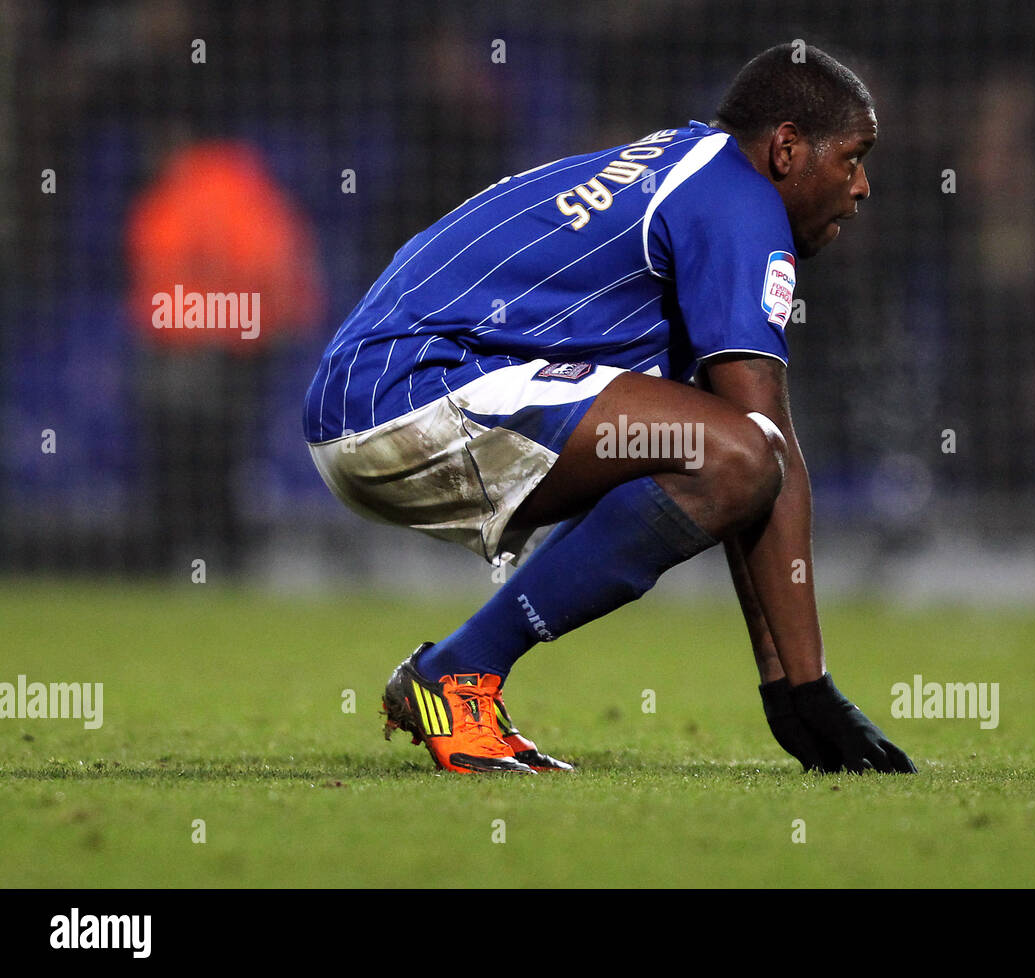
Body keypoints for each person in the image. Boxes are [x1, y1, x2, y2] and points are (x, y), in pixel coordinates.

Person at [303, 43, 917, 775]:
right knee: (737, 452)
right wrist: (807, 685)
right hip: (409, 391)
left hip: (370, 396)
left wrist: (789, 684)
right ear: (786, 148)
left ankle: (459, 671)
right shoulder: (739, 201)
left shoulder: (692, 168)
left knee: (725, 451)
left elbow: (748, 473)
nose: (863, 185)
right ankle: (459, 672)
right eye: (852, 157)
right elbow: (761, 444)